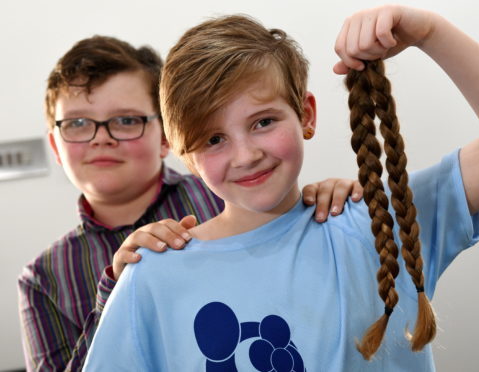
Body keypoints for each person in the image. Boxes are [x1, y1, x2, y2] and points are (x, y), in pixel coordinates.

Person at [83, 4, 479, 371]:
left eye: (264, 121)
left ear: (306, 114)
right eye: (213, 138)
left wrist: (427, 31)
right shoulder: (153, 277)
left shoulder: (376, 223)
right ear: (183, 152)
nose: (246, 154)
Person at [17, 35, 362, 372]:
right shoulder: (43, 278)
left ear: (168, 138)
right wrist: (120, 296)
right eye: (77, 124)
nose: (102, 138)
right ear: (55, 145)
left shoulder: (231, 187)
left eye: (126, 120)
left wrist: (334, 197)